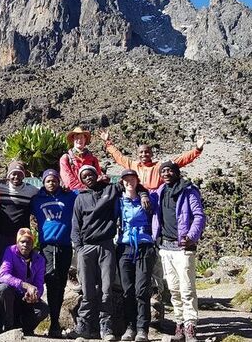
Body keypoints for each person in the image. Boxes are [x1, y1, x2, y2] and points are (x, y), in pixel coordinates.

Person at [99, 130, 205, 326]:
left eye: (147, 152)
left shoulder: (159, 168)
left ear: (151, 153)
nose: (144, 155)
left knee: (156, 268)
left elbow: (180, 161)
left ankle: (160, 303)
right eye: (141, 153)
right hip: (136, 212)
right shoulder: (133, 166)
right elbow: (119, 158)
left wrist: (197, 149)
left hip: (154, 210)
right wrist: (108, 143)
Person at [70, 165, 148, 341]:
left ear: (97, 175)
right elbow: (75, 224)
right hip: (86, 247)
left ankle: (106, 327)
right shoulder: (80, 198)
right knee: (87, 289)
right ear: (82, 179)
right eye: (84, 176)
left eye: (91, 174)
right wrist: (79, 247)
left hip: (106, 246)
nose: (88, 178)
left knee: (107, 289)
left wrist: (143, 194)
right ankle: (84, 326)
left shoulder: (110, 189)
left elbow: (131, 184)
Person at [154, 161, 206, 342]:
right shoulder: (160, 192)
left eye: (170, 170)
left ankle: (191, 326)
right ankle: (179, 326)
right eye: (163, 171)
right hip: (165, 247)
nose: (166, 173)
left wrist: (191, 236)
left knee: (187, 289)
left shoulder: (188, 191)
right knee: (174, 289)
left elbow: (199, 215)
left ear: (176, 172)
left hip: (184, 248)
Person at [0, 161, 39, 333]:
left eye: (20, 173)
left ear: (24, 175)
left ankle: (16, 320)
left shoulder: (32, 190)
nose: (16, 176)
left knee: (22, 277)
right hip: (3, 239)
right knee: (0, 279)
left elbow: (46, 193)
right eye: (13, 173)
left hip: (22, 242)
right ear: (8, 174)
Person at [30, 169, 76, 338]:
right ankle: (53, 322)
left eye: (54, 180)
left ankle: (55, 321)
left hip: (64, 245)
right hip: (47, 246)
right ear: (43, 182)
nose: (51, 183)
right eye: (48, 181)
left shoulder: (69, 197)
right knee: (50, 279)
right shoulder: (36, 199)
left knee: (61, 282)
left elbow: (83, 191)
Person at [116, 170, 159, 342]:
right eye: (126, 180)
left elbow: (158, 213)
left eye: (132, 179)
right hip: (125, 246)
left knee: (142, 290)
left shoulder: (148, 199)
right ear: (122, 182)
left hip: (144, 245)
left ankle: (142, 329)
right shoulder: (118, 201)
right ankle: (130, 327)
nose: (129, 182)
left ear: (137, 180)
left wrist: (143, 193)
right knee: (127, 290)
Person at [0, 228, 49, 335]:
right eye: (22, 242)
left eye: (28, 242)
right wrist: (24, 285)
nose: (25, 245)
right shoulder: (10, 251)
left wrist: (35, 295)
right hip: (13, 295)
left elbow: (39, 284)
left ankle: (25, 328)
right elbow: (3, 275)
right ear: (17, 243)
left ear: (33, 244)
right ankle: (9, 327)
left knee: (43, 309)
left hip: (27, 299)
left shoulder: (39, 260)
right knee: (3, 288)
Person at [60, 127, 102, 191]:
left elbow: (98, 176)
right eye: (77, 138)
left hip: (93, 192)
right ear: (73, 139)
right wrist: (83, 189)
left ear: (85, 139)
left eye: (82, 137)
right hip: (75, 194)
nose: (79, 140)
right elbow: (68, 179)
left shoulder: (93, 159)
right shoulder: (65, 158)